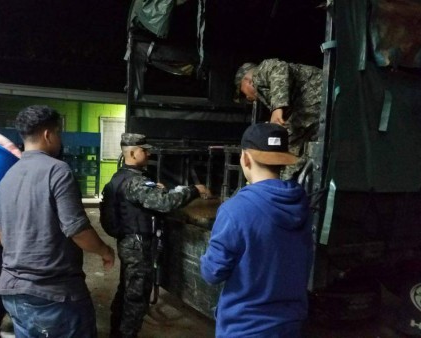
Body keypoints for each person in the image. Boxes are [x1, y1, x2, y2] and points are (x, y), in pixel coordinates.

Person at [0, 105, 115, 337]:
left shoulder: (5, 178)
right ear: (48, 135)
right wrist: (105, 251)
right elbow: (77, 229)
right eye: (59, 133)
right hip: (53, 294)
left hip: (13, 292)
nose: (60, 139)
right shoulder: (57, 171)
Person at [200, 123, 313, 337]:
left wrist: (205, 259)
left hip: (246, 328)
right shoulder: (301, 204)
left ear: (245, 159)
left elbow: (212, 273)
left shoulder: (235, 210)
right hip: (291, 325)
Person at [107, 133, 210, 338]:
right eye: (145, 150)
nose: (148, 153)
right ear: (133, 153)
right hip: (138, 245)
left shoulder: (121, 177)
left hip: (129, 241)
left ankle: (116, 332)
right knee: (136, 297)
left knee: (127, 289)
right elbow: (165, 203)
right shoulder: (135, 182)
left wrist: (155, 188)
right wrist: (194, 190)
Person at [235, 58, 322, 179]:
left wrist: (277, 108)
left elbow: (279, 68)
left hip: (315, 97)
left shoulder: (259, 72)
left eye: (244, 93)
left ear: (247, 81)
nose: (249, 98)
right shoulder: (265, 89)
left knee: (286, 143)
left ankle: (277, 183)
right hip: (319, 105)